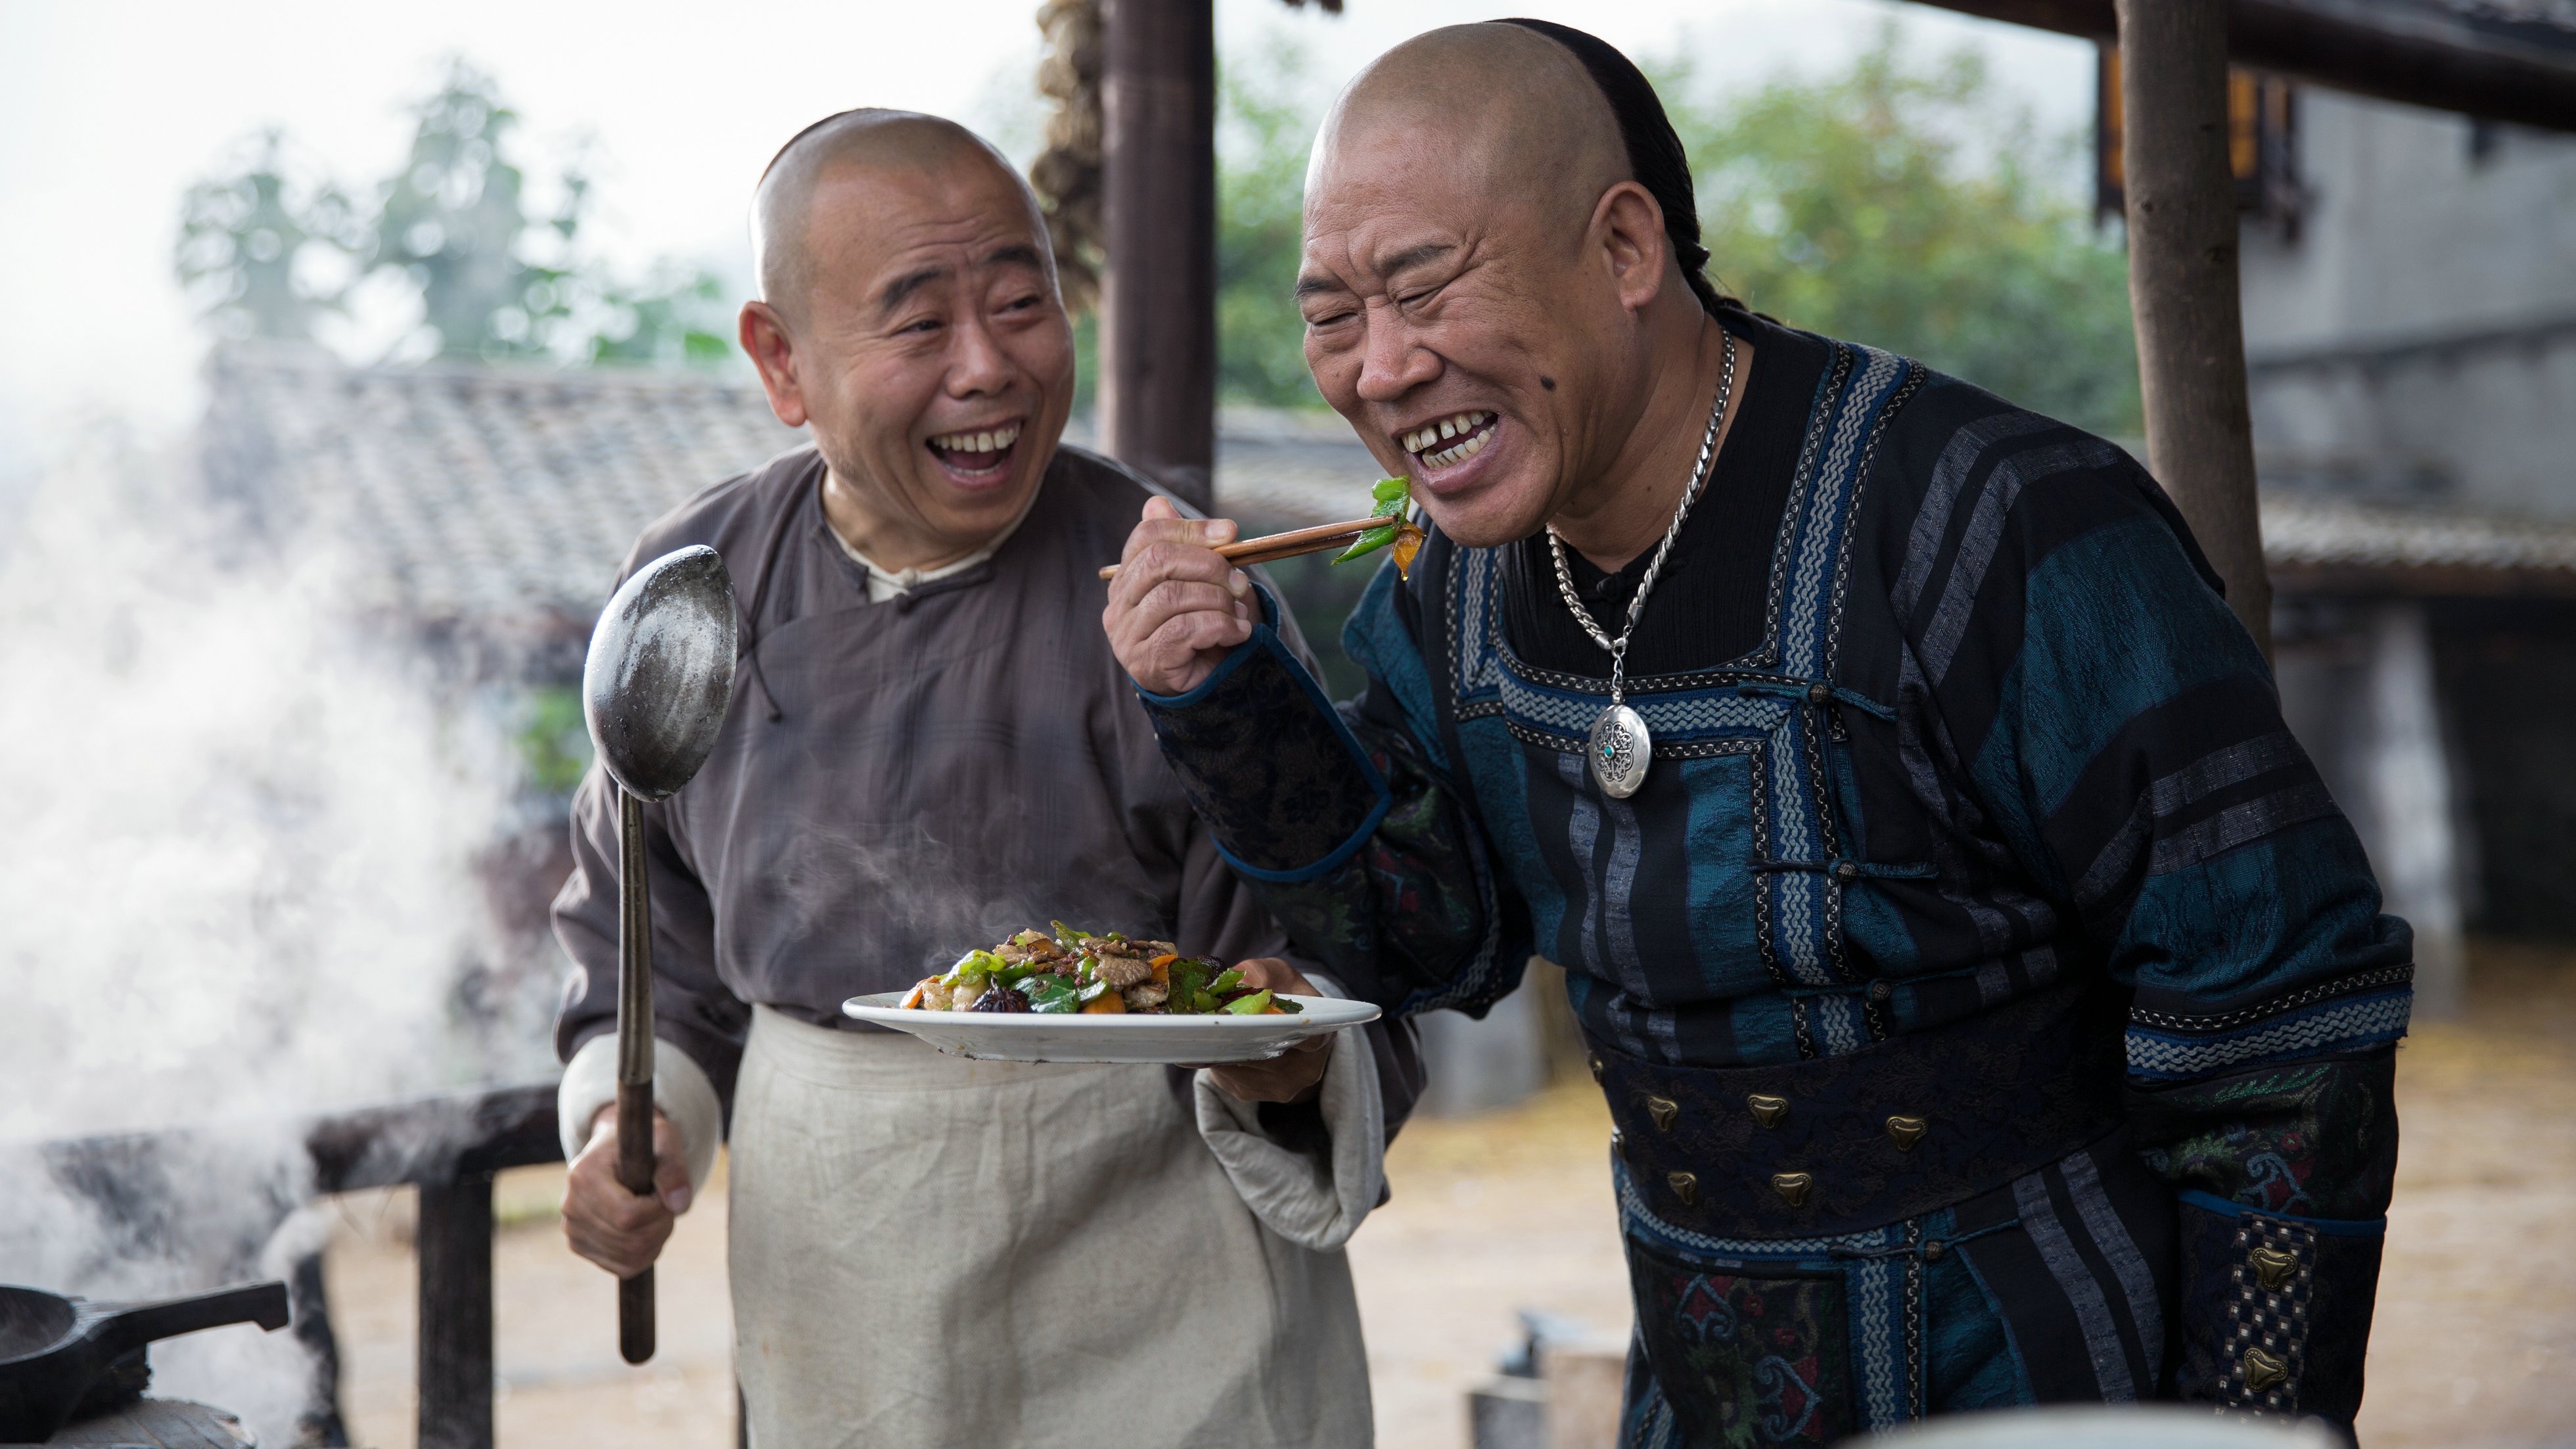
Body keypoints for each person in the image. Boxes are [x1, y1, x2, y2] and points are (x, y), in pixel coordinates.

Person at [1105, 21, 2404, 1442]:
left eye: (1421, 287)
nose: (1380, 366)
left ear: (1621, 249)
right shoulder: (1456, 586)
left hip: (2040, 1366)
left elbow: (2280, 1016)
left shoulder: (1994, 525)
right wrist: (1230, 700)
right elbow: (1426, 939)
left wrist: (2249, 1428)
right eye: (1332, 313)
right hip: (1700, 1379)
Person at [550, 108, 1419, 1448]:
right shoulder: (698, 587)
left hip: (1164, 1284)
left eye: (1022, 303)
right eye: (917, 323)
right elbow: (640, 939)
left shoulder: (1184, 594)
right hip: (847, 1283)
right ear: (783, 362)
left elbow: (1329, 962)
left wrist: (1292, 1053)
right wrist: (628, 1118)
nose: (987, 368)